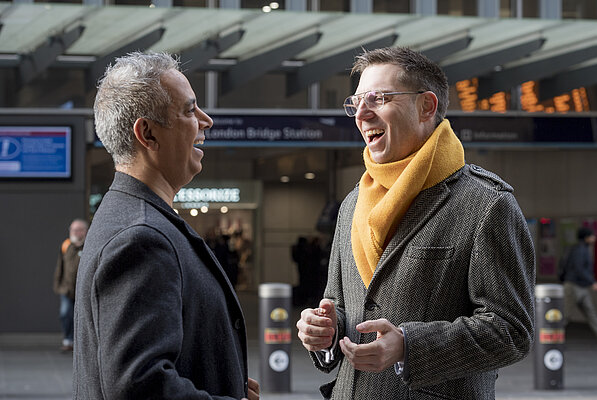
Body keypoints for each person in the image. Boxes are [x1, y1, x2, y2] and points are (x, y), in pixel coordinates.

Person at [296, 47, 535, 399]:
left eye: (378, 98)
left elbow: (512, 331)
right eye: (357, 101)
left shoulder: (487, 204)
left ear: (426, 106)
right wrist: (327, 333)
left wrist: (410, 346)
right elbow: (342, 307)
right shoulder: (351, 204)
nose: (361, 113)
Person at [74, 52, 259, 400]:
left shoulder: (134, 217)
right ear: (147, 133)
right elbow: (138, 386)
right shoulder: (141, 238)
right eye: (189, 111)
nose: (206, 121)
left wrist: (224, 378)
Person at [53, 218, 88, 352]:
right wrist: (58, 285)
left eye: (77, 230)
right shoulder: (66, 245)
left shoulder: (89, 245)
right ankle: (68, 340)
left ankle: (80, 344)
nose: (74, 232)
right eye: (72, 229)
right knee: (65, 313)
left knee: (82, 317)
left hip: (82, 290)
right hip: (67, 290)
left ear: (84, 231)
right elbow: (60, 267)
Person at [561, 227, 597, 342]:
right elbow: (579, 269)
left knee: (591, 314)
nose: (594, 238)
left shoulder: (584, 249)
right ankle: (551, 338)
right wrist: (592, 282)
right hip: (573, 286)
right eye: (592, 236)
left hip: (582, 287)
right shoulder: (579, 250)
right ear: (586, 237)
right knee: (565, 315)